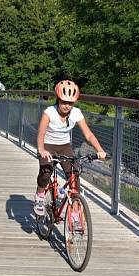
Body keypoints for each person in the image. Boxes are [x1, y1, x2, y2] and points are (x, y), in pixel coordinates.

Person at [34, 80, 106, 215]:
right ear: (58, 99)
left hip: (64, 147)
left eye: (70, 103)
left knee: (74, 176)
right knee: (45, 173)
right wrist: (41, 150)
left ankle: (75, 211)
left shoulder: (76, 113)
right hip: (48, 146)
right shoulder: (49, 112)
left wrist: (99, 150)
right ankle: (40, 194)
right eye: (64, 102)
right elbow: (41, 132)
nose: (67, 106)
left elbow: (88, 134)